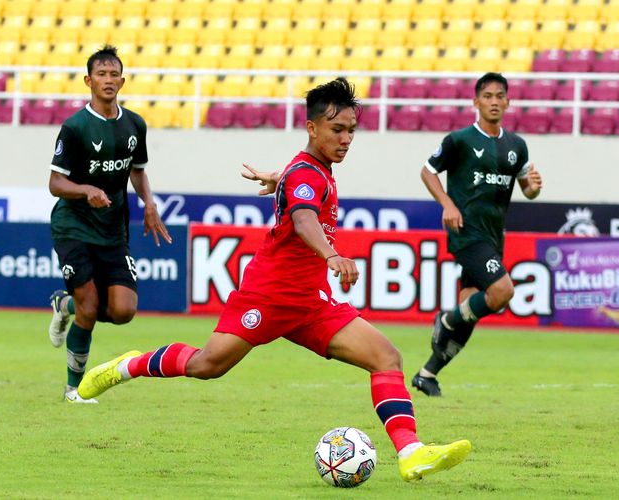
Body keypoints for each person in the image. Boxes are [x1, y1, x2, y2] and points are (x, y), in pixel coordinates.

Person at [78, 78, 471, 481]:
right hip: (267, 296)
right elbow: (304, 219)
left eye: (352, 130)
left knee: (386, 358)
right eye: (337, 129)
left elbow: (299, 188)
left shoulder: (309, 170)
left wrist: (281, 180)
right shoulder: (307, 175)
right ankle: (130, 365)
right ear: (312, 127)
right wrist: (332, 254)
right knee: (206, 366)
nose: (346, 138)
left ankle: (411, 453)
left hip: (311, 302)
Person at [47, 45, 172, 403]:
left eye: (114, 74)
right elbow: (55, 183)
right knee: (89, 306)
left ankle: (64, 305)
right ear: (88, 81)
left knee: (123, 310)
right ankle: (74, 388)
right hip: (73, 226)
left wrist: (149, 202)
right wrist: (86, 190)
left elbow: (137, 171)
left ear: (122, 80)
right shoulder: (74, 127)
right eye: (101, 74)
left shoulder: (135, 124)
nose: (108, 80)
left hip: (113, 231)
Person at [411, 72, 543, 397]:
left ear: (508, 102)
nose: (494, 101)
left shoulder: (517, 146)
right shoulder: (460, 140)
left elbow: (527, 189)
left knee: (467, 313)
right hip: (466, 232)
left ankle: (427, 373)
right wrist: (447, 204)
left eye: (500, 96)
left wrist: (533, 188)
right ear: (476, 102)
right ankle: (445, 320)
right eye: (488, 96)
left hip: (493, 236)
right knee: (502, 291)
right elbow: (427, 171)